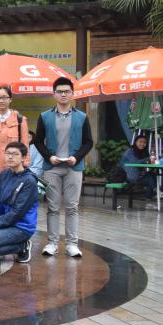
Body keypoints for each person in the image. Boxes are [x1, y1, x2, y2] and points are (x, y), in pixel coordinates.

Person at [34, 77, 93, 258]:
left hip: (73, 167)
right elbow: (38, 141)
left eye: (67, 91)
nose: (63, 94)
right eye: (59, 91)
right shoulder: (45, 116)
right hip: (52, 167)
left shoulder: (82, 117)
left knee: (72, 206)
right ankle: (52, 243)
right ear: (54, 94)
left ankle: (72, 244)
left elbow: (88, 142)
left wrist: (77, 157)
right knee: (52, 206)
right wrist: (49, 156)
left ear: (72, 94)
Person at [0, 142, 38, 264]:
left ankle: (21, 246)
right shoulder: (6, 173)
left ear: (23, 158)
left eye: (15, 154)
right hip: (5, 221)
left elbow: (17, 213)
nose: (10, 157)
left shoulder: (29, 181)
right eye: (8, 153)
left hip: (21, 227)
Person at [0, 86, 30, 179]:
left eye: (4, 97)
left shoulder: (19, 119)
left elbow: (25, 145)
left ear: (10, 99)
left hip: (15, 170)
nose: (1, 101)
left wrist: (24, 167)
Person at [122, 134, 160, 198]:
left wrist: (153, 162)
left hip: (137, 175)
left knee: (151, 175)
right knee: (149, 177)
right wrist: (148, 158)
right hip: (126, 177)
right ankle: (157, 192)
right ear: (135, 142)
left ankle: (149, 196)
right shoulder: (129, 151)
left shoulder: (143, 152)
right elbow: (136, 163)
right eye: (140, 142)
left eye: (144, 142)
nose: (142, 144)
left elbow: (146, 164)